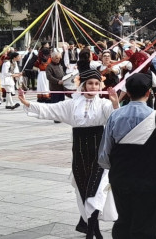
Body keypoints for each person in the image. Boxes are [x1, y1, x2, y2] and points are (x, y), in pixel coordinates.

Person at [20, 68, 120, 239]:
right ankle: (92, 229)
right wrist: (27, 103)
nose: (93, 87)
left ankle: (91, 231)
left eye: (96, 84)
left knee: (97, 190)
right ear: (83, 85)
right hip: (80, 153)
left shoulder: (104, 104)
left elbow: (114, 120)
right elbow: (50, 110)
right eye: (90, 83)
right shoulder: (72, 104)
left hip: (99, 154)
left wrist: (115, 104)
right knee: (82, 190)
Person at [97, 73, 156, 239]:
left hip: (121, 177)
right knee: (146, 221)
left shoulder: (115, 116)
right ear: (148, 92)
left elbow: (105, 151)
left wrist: (109, 167)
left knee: (124, 218)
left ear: (127, 93)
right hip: (150, 179)